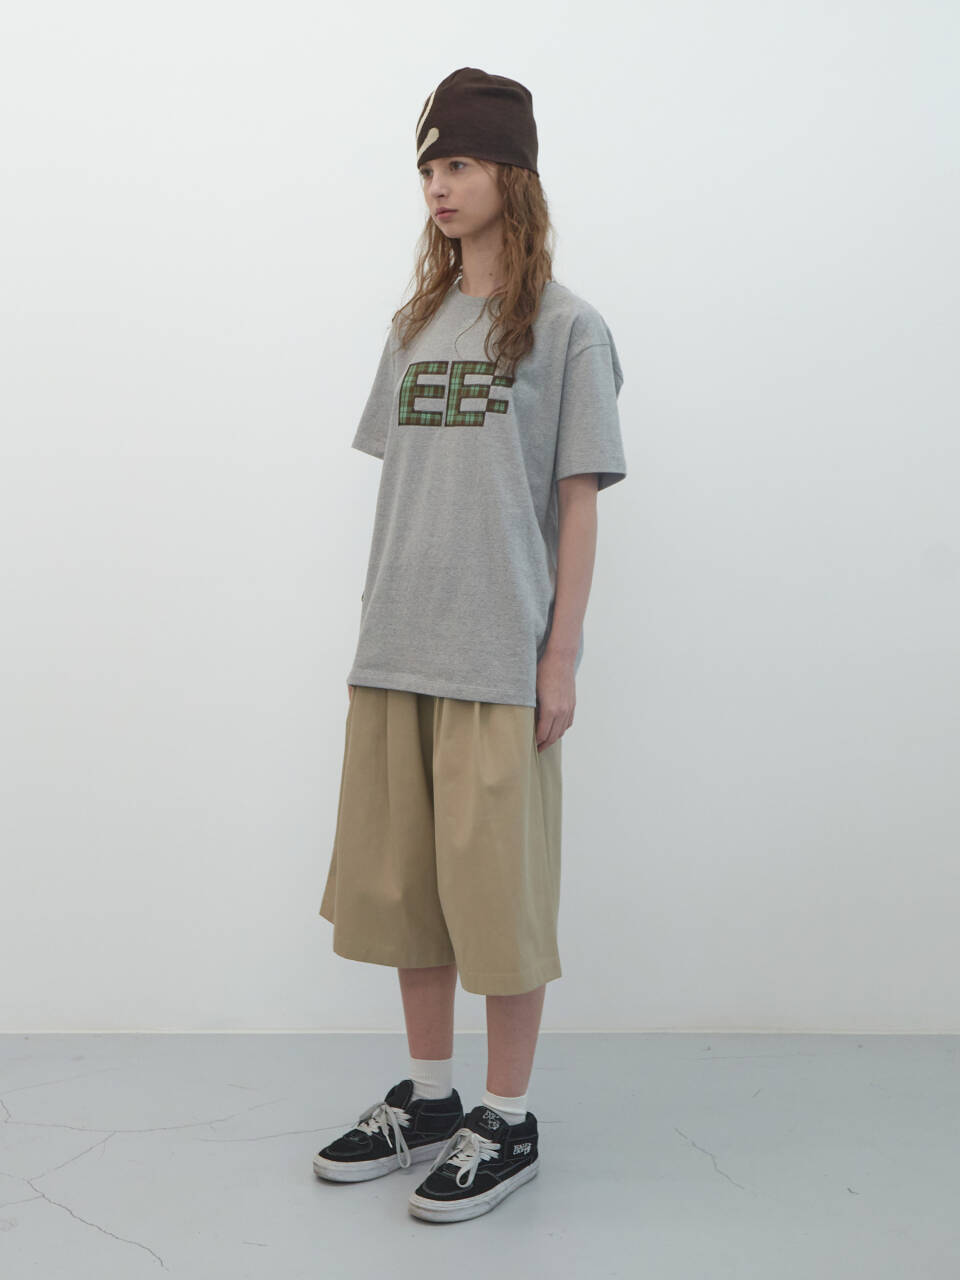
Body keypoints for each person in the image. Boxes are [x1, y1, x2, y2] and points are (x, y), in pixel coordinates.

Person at [313, 67, 627, 1223]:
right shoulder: (415, 326)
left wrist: (561, 656)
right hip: (398, 646)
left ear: (511, 173)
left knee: (500, 899)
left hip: (499, 655)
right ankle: (433, 1094)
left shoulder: (568, 328)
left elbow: (578, 504)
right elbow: (408, 487)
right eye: (428, 167)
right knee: (407, 890)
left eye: (458, 164)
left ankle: (508, 1113)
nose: (438, 186)